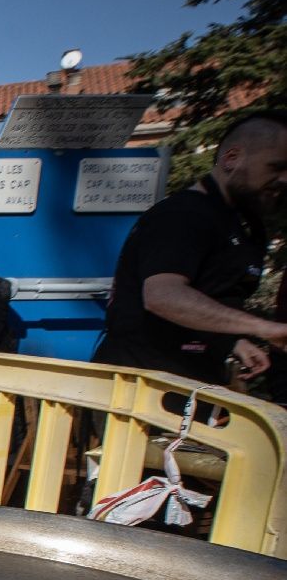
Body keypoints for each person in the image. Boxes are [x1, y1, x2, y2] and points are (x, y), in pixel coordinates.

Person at [92, 111, 287, 387]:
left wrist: (232, 341)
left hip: (191, 382)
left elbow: (209, 298)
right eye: (276, 167)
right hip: (140, 387)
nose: (284, 180)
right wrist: (264, 328)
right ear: (232, 158)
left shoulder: (240, 223)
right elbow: (163, 296)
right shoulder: (182, 215)